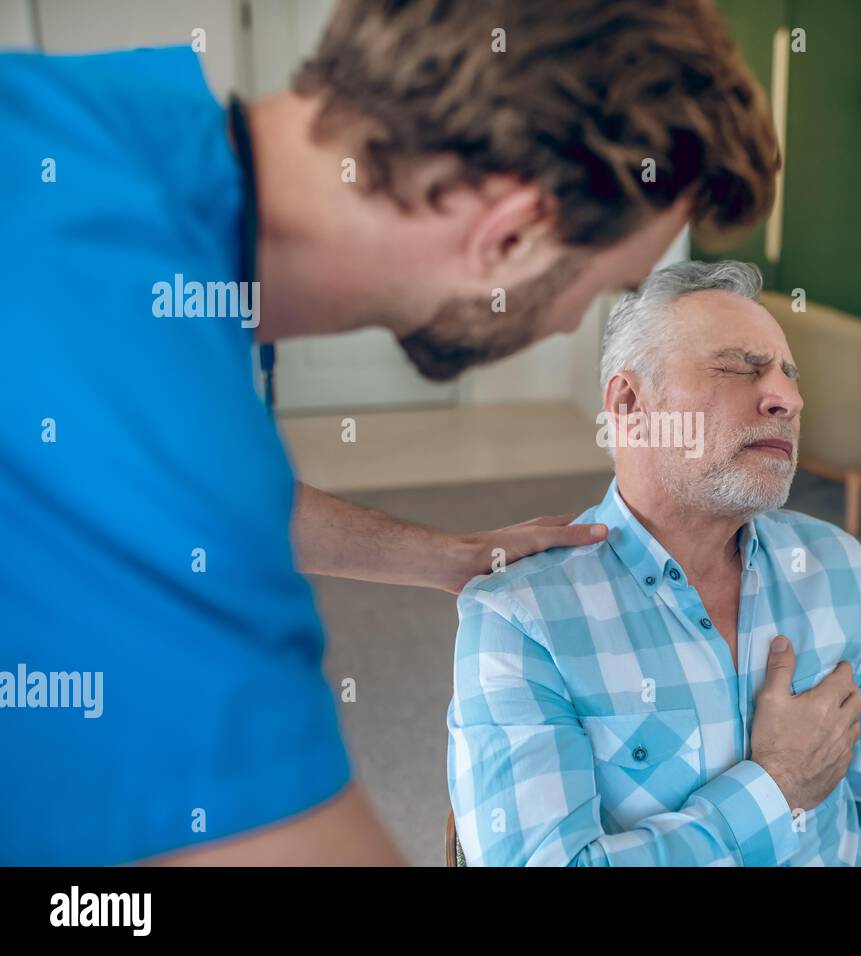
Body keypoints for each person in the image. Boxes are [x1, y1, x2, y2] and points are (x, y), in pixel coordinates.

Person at [0, 0, 778, 865]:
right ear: (512, 235)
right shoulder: (123, 361)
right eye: (600, 291)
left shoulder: (111, 130)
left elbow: (191, 503)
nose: (567, 330)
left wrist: (436, 556)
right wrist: (771, 787)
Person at [447, 261, 861, 866]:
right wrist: (776, 788)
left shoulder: (836, 563)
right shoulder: (520, 617)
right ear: (631, 402)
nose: (789, 399)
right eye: (738, 369)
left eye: (789, 376)